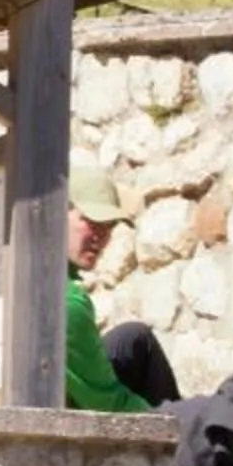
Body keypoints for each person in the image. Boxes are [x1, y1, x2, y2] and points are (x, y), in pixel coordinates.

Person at [65, 161, 181, 412]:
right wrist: (172, 423)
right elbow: (107, 404)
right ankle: (178, 451)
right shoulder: (67, 302)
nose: (101, 238)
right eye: (92, 222)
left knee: (135, 338)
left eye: (108, 228)